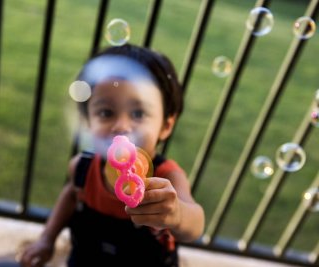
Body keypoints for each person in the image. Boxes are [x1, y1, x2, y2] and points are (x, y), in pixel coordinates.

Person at [20, 43, 205, 267]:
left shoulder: (168, 178)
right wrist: (47, 239)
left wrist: (177, 214)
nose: (121, 126)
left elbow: (195, 225)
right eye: (106, 112)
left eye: (138, 113)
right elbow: (70, 196)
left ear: (165, 125)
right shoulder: (82, 167)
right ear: (88, 121)